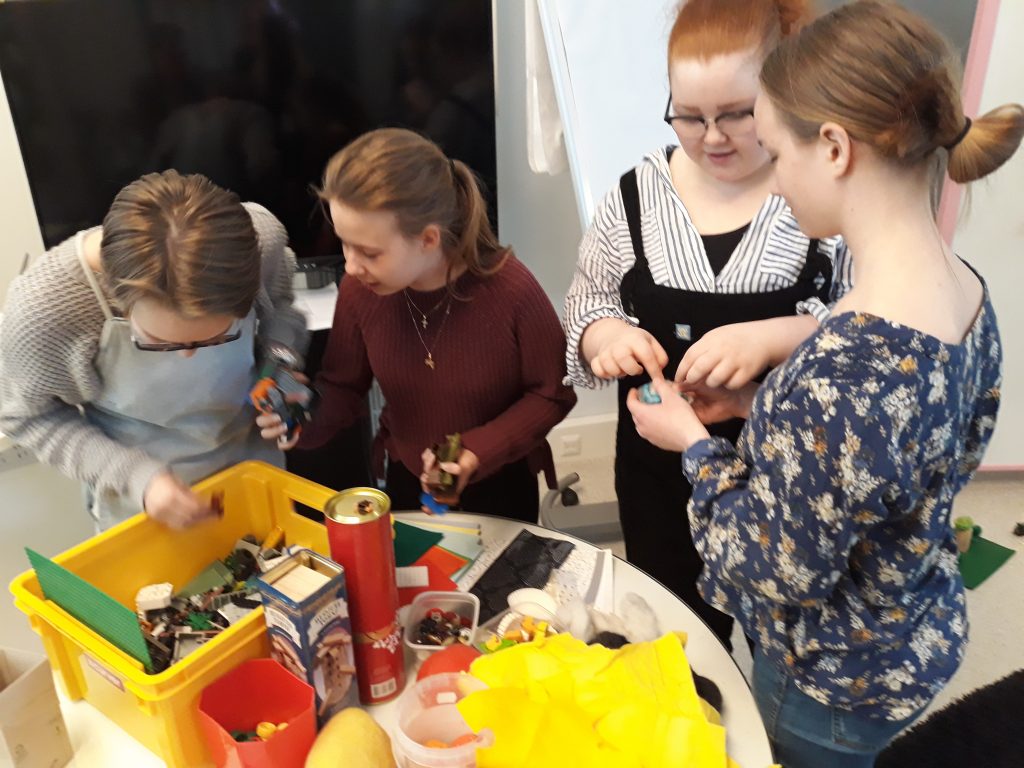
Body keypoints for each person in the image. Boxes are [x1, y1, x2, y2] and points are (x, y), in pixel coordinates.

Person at [628, 2, 1023, 765]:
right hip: (910, 630)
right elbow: (893, 456)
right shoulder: (963, 287)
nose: (774, 186)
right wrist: (759, 408)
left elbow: (771, 567)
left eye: (777, 154)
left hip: (824, 687)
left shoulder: (844, 377)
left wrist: (694, 445)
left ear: (835, 148)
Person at [562, 0, 852, 648]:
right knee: (676, 635)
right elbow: (588, 297)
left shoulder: (816, 191)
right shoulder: (635, 197)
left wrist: (782, 334)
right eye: (689, 116)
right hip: (659, 475)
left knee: (785, 640)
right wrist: (605, 334)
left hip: (785, 475)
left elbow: (870, 319)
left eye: (737, 115)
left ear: (782, 95)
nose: (712, 136)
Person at [267, 128, 576, 521]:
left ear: (428, 239)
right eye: (343, 243)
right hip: (405, 478)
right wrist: (299, 419)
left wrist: (477, 450)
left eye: (368, 252)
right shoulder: (360, 291)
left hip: (499, 485)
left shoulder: (511, 289)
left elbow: (552, 394)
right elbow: (342, 386)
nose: (350, 265)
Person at [0, 170, 307, 530]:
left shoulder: (260, 244)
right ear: (118, 296)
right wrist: (135, 477)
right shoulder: (46, 313)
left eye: (218, 336)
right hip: (140, 504)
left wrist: (279, 367)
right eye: (158, 343)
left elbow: (281, 309)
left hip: (255, 474)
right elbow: (26, 416)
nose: (190, 356)